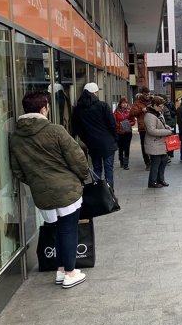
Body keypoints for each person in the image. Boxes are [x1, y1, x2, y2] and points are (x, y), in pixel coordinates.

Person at [9, 91, 89, 289]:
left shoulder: (16, 137)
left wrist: (37, 182)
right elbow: (77, 157)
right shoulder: (55, 130)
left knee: (57, 230)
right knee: (68, 229)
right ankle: (70, 273)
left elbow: (18, 170)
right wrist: (81, 177)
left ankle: (61, 269)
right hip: (66, 189)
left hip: (42, 193)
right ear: (44, 108)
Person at [71, 83, 118, 187]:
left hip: (92, 143)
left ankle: (98, 191)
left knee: (96, 168)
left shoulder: (78, 109)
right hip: (107, 143)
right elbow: (112, 124)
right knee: (108, 169)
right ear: (94, 93)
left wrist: (87, 140)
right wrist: (115, 138)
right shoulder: (102, 105)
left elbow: (77, 129)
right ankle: (109, 191)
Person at [143, 95, 173, 188]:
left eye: (163, 106)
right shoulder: (149, 116)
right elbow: (151, 130)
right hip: (154, 143)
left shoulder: (158, 113)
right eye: (160, 106)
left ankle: (160, 180)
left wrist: (167, 127)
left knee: (164, 161)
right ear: (154, 105)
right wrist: (166, 132)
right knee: (156, 163)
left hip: (160, 143)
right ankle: (152, 182)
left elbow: (161, 124)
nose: (162, 108)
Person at [130, 87, 152, 170]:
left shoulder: (153, 100)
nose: (147, 96)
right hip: (143, 127)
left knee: (153, 144)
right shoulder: (137, 102)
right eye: (146, 94)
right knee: (144, 145)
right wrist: (142, 110)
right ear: (142, 94)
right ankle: (147, 162)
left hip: (153, 126)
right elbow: (132, 113)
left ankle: (153, 161)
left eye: (148, 94)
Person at [113, 97, 135, 170]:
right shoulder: (116, 111)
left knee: (127, 147)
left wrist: (127, 124)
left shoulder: (130, 111)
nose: (125, 104)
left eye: (126, 103)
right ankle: (121, 161)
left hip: (128, 132)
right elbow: (114, 121)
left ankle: (126, 164)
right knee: (121, 147)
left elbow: (133, 121)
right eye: (123, 103)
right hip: (120, 132)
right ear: (120, 104)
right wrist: (120, 125)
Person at [160, 94, 176, 162]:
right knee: (167, 141)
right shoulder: (162, 106)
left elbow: (175, 112)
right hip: (167, 124)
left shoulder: (170, 104)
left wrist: (169, 111)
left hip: (170, 124)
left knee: (170, 139)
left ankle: (170, 154)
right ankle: (168, 155)